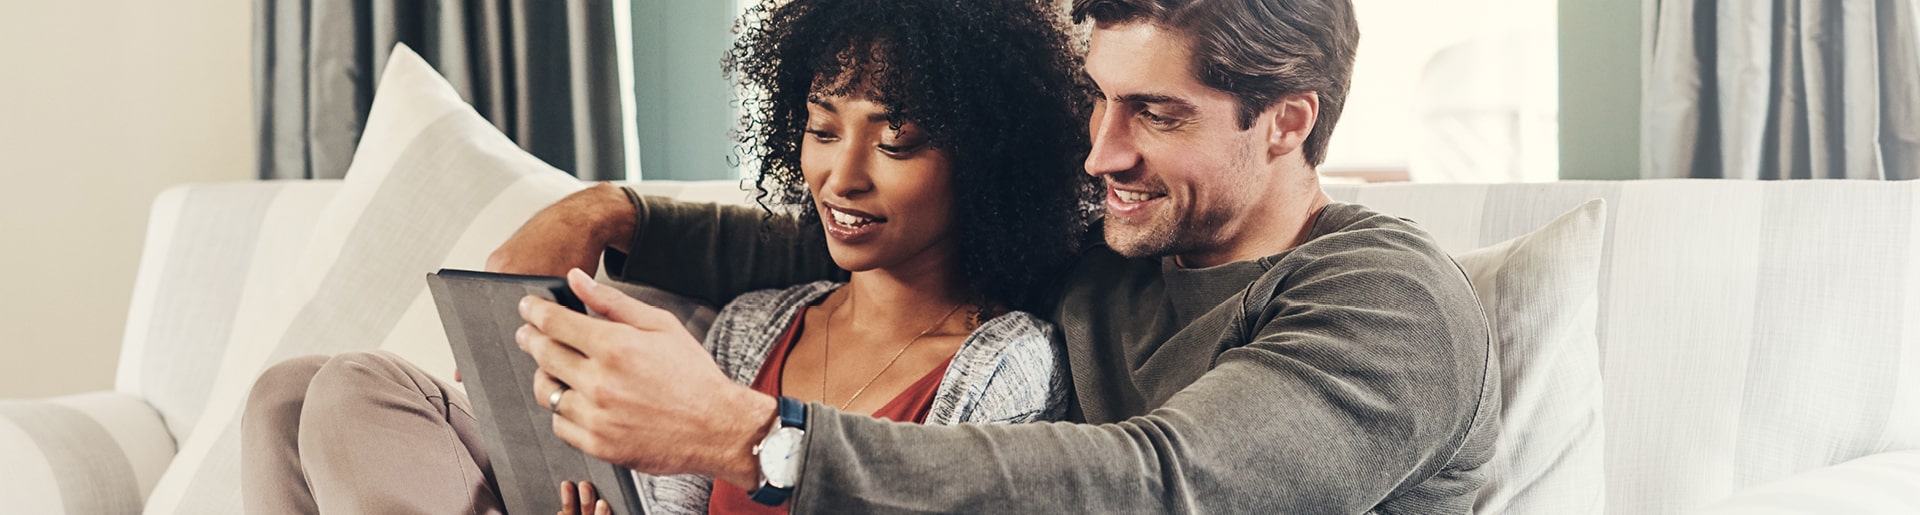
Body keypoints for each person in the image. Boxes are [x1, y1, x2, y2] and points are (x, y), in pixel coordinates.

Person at [502, 0, 1500, 513]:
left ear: (1286, 122)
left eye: (1152, 113)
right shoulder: (1120, 235)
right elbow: (855, 238)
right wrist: (614, 213)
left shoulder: (1385, 301)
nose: (1103, 150)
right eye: (1101, 99)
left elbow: (1155, 486)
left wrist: (757, 438)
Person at [238, 0, 1093, 513]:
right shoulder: (759, 326)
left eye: (897, 142)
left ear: (985, 160)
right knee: (292, 394)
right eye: (822, 128)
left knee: (340, 386)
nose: (843, 174)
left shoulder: (1007, 364)